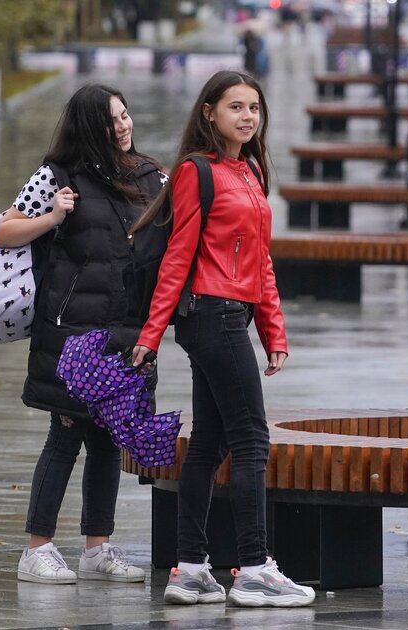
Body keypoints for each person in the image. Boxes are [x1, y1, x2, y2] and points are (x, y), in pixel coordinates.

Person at [129, 71, 315, 608]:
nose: (248, 116)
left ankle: (190, 570)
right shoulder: (196, 172)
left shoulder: (251, 171)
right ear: (209, 112)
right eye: (236, 106)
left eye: (254, 107)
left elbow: (261, 262)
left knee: (209, 443)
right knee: (252, 440)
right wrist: (152, 332)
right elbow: (177, 257)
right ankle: (254, 567)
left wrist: (273, 332)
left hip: (234, 316)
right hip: (211, 317)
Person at [0, 84, 167, 585]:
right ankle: (37, 548)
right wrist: (52, 217)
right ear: (88, 126)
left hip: (126, 328)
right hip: (74, 333)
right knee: (66, 432)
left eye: (126, 113)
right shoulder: (57, 175)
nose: (124, 125)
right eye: (112, 119)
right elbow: (6, 230)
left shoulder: (148, 175)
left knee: (108, 438)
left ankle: (98, 548)